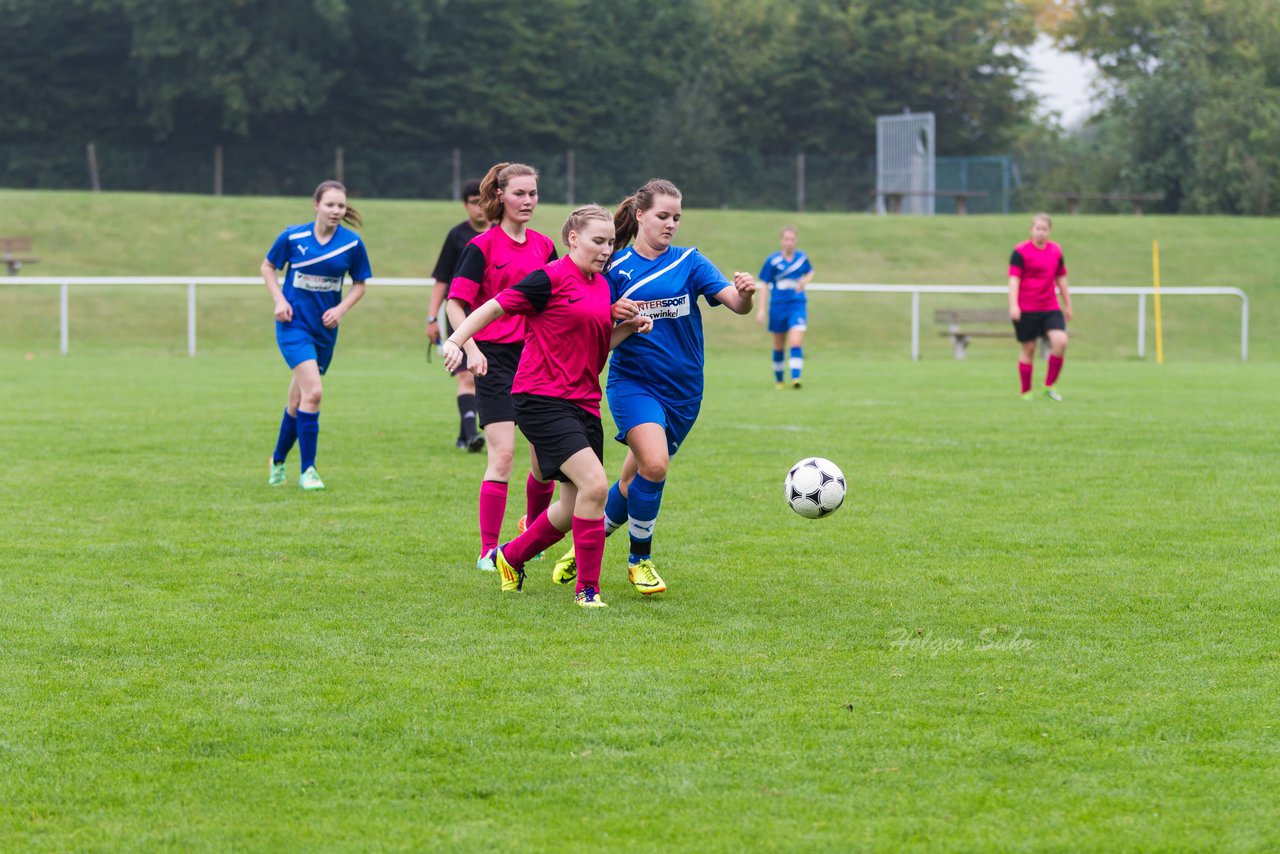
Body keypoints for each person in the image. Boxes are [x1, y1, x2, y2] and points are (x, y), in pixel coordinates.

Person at [552, 179, 757, 596]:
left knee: (634, 481)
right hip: (634, 384)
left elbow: (736, 305)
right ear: (641, 214)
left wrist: (746, 294)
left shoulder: (691, 262)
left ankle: (582, 545)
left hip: (683, 393)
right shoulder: (615, 268)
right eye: (663, 216)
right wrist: (613, 313)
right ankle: (639, 560)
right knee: (657, 465)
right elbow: (593, 324)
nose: (671, 225)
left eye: (677, 217)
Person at [443, 205, 651, 607]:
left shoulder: (603, 286)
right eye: (597, 241)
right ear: (573, 238)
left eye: (610, 242)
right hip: (541, 399)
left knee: (572, 505)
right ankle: (587, 591)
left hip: (584, 401)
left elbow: (597, 345)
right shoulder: (548, 279)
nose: (606, 249)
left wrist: (628, 327)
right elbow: (493, 306)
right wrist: (457, 341)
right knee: (595, 486)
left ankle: (510, 556)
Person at [446, 162, 559, 571]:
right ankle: (489, 550)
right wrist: (470, 348)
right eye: (519, 194)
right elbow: (455, 304)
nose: (528, 201)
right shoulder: (481, 247)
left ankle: (531, 533)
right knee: (504, 456)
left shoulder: (545, 247)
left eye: (533, 193)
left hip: (536, 359)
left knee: (546, 460)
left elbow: (560, 299)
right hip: (492, 360)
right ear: (499, 197)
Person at [261, 180, 371, 491]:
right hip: (294, 326)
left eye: (341, 205)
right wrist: (279, 300)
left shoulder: (351, 244)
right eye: (330, 204)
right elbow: (268, 267)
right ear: (316, 205)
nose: (336, 210)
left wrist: (341, 310)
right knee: (315, 393)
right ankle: (308, 470)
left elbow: (360, 284)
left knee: (298, 400)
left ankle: (278, 461)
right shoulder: (293, 236)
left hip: (325, 331)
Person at [427, 178, 488, 452]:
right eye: (474, 203)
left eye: (483, 202)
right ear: (466, 205)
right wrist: (431, 318)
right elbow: (442, 279)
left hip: (492, 317)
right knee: (465, 375)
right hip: (460, 315)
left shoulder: (500, 234)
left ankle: (466, 434)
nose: (480, 208)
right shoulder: (457, 236)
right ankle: (470, 433)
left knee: (484, 377)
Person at [1009, 212, 1072, 401]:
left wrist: (1068, 304)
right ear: (1031, 230)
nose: (1041, 233)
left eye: (1045, 229)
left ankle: (1048, 386)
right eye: (1038, 229)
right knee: (1029, 349)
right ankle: (1026, 392)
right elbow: (1014, 280)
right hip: (1026, 308)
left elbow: (1061, 278)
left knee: (1060, 341)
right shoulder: (1020, 252)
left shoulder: (1056, 251)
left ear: (1049, 231)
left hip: (1049, 307)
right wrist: (1013, 305)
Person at [755, 225, 814, 389]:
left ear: (796, 240)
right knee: (779, 345)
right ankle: (779, 380)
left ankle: (796, 378)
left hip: (797, 305)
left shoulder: (802, 258)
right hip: (777, 306)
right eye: (786, 239)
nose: (789, 242)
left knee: (795, 341)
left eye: (792, 239)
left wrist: (805, 280)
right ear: (781, 241)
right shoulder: (773, 260)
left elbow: (810, 271)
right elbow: (765, 284)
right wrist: (761, 309)